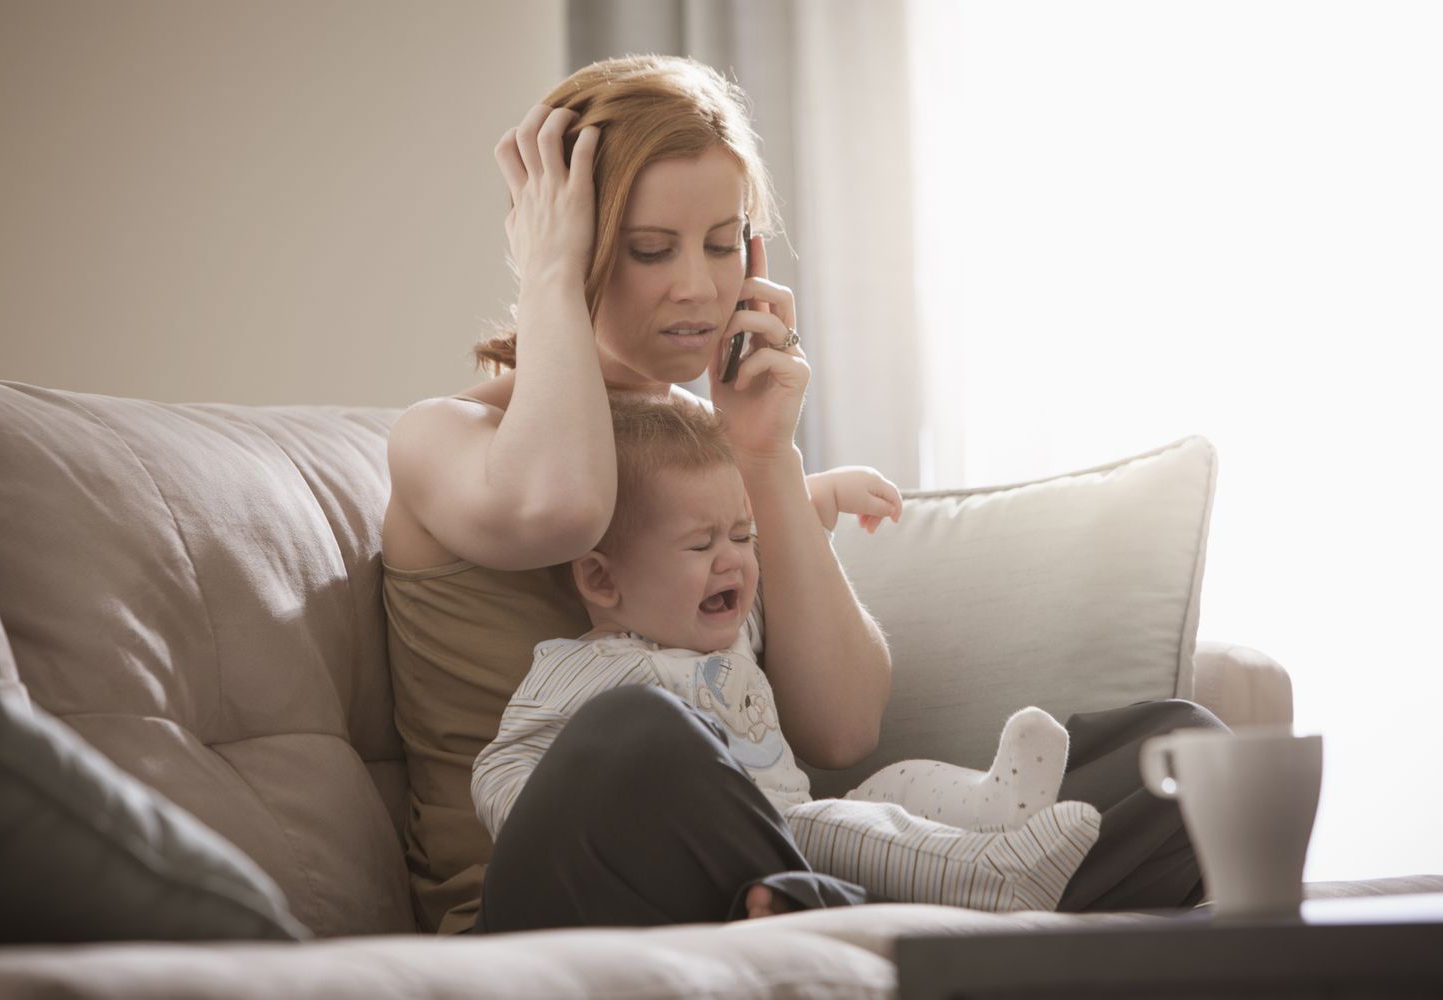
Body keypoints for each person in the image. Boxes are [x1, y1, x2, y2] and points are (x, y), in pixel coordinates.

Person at [381, 53, 1226, 936]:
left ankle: (865, 909)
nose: (699, 288)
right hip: (544, 904)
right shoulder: (444, 439)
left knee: (1181, 756)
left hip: (766, 851)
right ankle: (871, 906)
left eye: (721, 243)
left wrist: (764, 455)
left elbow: (842, 731)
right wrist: (548, 276)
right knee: (635, 732)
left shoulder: (713, 447)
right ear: (569, 235)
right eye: (649, 249)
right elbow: (566, 508)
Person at [472, 395, 1102, 916]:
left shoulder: (735, 628)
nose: (735, 559)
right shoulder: (585, 667)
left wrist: (823, 495)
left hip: (806, 822)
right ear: (603, 582)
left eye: (742, 536)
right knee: (822, 824)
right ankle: (991, 878)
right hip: (771, 837)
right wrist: (553, 811)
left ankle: (1000, 811)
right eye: (700, 546)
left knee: (890, 786)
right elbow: (502, 764)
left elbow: (789, 539)